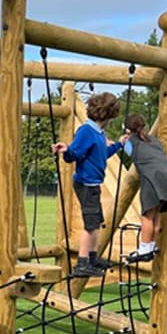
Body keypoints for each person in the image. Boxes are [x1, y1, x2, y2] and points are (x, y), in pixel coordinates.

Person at [51, 92, 125, 277]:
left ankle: (92, 258)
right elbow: (75, 153)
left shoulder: (99, 134)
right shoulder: (86, 131)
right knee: (90, 225)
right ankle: (82, 264)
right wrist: (66, 150)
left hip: (93, 184)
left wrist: (119, 145)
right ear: (110, 114)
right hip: (86, 184)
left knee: (96, 222)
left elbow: (101, 155)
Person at [121, 113, 167, 263]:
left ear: (127, 130)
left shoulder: (130, 142)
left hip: (153, 177)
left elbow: (122, 147)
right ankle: (151, 247)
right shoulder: (154, 141)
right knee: (157, 214)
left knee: (147, 216)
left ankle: (144, 249)